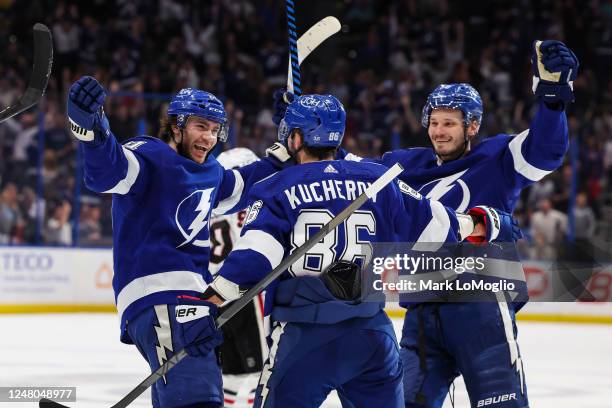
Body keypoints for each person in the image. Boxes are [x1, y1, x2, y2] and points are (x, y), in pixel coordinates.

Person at [190, 94, 517, 407]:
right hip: (373, 336)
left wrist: (208, 304)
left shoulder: (275, 187)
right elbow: (437, 225)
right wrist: (482, 223)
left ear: (297, 139)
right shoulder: (379, 179)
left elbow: (254, 259)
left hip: (306, 338)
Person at [333, 40, 578, 407]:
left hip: (482, 309)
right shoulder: (403, 165)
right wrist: (302, 135)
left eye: (450, 123)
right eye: (434, 122)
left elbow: (546, 150)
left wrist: (553, 98)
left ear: (472, 125)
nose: (440, 131)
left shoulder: (497, 157)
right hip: (422, 314)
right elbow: (347, 172)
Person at [66, 76, 291, 408]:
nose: (209, 137)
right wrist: (91, 128)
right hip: (164, 300)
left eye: (215, 130)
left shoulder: (212, 173)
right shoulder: (151, 155)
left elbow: (248, 183)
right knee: (198, 402)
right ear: (176, 125)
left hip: (186, 302)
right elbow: (107, 172)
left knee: (186, 400)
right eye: (201, 126)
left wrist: (289, 141)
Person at [209, 147, 267, 408]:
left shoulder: (209, 201)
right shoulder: (247, 202)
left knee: (231, 371)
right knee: (262, 369)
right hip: (240, 290)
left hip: (210, 293)